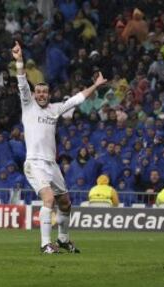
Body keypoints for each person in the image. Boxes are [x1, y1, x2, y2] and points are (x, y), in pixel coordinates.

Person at [12, 41, 107, 253]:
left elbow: (76, 100)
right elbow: (21, 82)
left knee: (65, 203)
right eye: (39, 92)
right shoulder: (28, 107)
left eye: (45, 92)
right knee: (48, 199)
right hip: (34, 163)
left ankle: (63, 239)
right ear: (34, 95)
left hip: (52, 165)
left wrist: (96, 85)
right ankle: (46, 244)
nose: (42, 95)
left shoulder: (55, 109)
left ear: (49, 94)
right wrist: (19, 60)